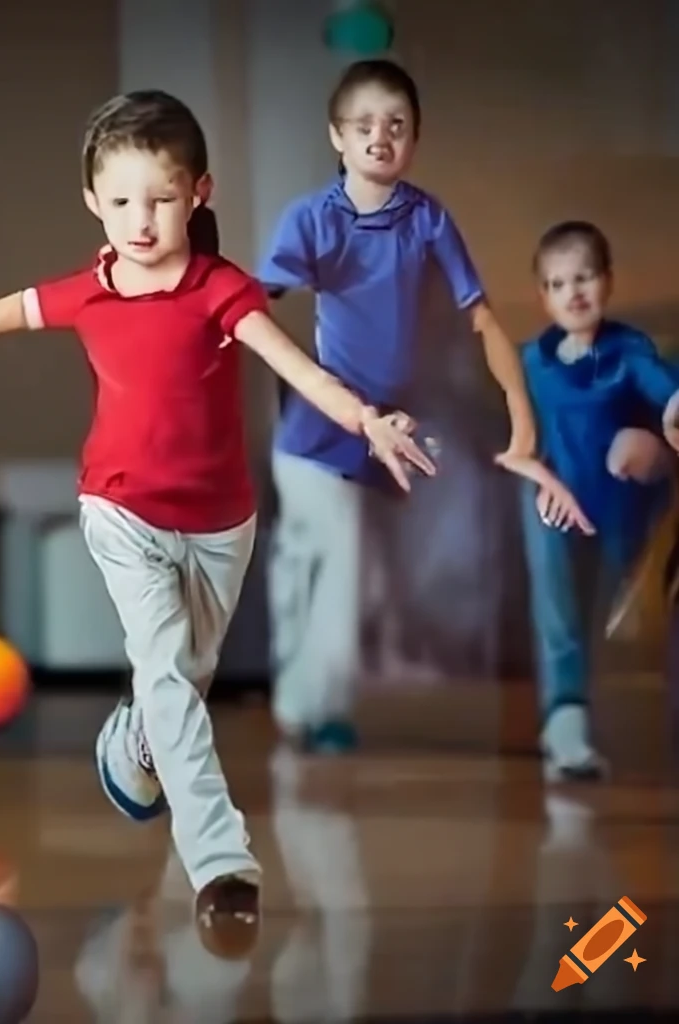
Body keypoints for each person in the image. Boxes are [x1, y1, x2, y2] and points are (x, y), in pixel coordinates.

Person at [0, 89, 434, 938]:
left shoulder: (222, 291)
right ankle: (222, 864)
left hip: (220, 524)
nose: (140, 222)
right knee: (170, 672)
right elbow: (14, 308)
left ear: (197, 194)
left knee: (183, 678)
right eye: (120, 203)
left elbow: (300, 370)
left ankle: (131, 746)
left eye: (160, 200)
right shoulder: (91, 292)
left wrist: (367, 421)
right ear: (92, 202)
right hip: (119, 509)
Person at [257, 58, 589, 753]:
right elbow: (252, 308)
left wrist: (521, 415)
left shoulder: (428, 219)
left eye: (396, 125)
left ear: (414, 138)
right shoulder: (311, 220)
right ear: (337, 136)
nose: (380, 137)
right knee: (329, 561)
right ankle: (309, 705)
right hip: (314, 435)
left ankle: (310, 699)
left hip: (388, 439)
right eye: (363, 125)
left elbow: (483, 319)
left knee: (350, 572)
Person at [520, 220, 679, 781]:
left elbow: (663, 388)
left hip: (618, 501)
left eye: (584, 278)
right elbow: (514, 426)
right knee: (556, 598)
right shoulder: (533, 361)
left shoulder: (628, 350)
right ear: (544, 296)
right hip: (554, 497)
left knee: (610, 608)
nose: (574, 293)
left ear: (607, 281)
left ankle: (612, 711)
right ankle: (565, 720)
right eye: (558, 284)